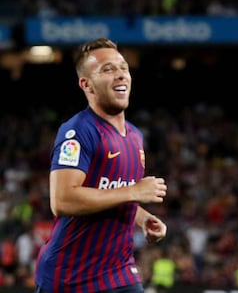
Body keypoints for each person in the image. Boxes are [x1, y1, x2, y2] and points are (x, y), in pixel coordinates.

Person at [34, 38, 168, 293]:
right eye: (108, 70)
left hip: (119, 272)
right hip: (70, 278)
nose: (120, 75)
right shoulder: (78, 131)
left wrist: (142, 218)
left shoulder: (135, 136)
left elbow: (111, 193)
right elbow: (62, 201)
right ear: (86, 84)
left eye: (123, 67)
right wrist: (133, 192)